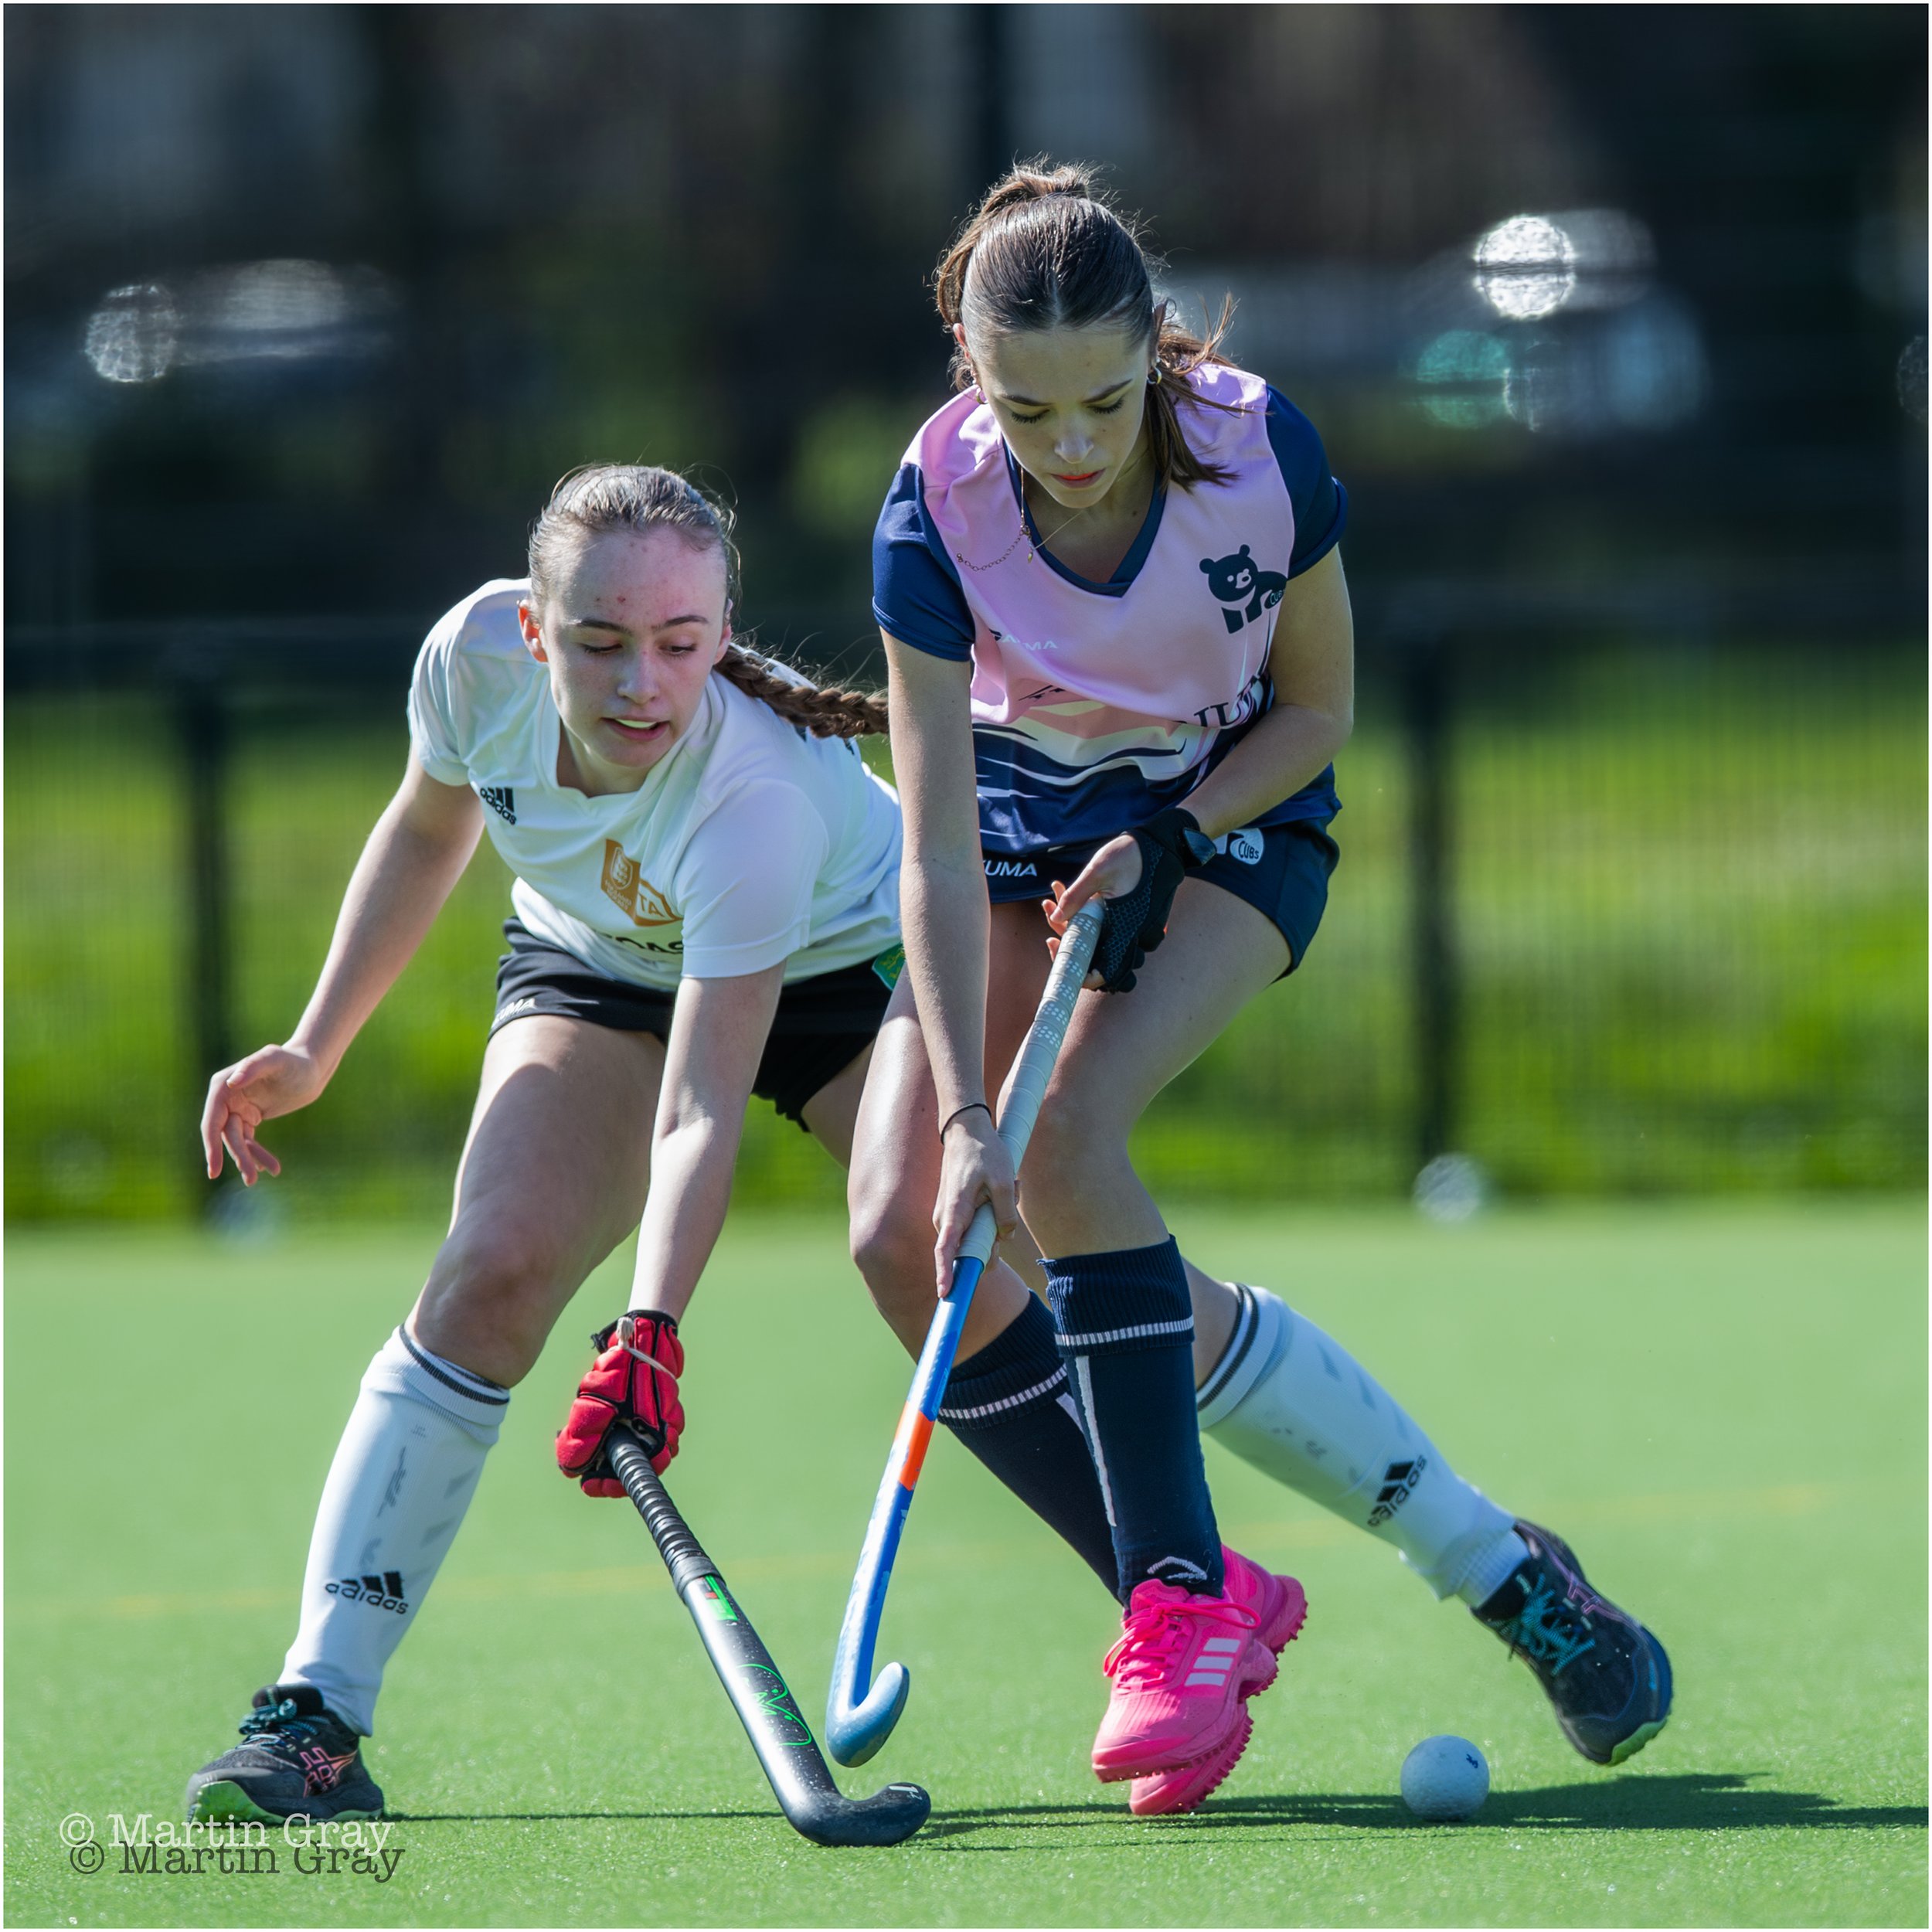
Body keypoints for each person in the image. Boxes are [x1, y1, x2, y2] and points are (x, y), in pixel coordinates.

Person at [851, 163, 1672, 1817]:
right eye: (1025, 408)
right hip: (1015, 840)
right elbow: (932, 843)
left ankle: (1170, 1601)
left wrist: (1168, 828)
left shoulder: (1250, 450)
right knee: (902, 1217)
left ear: (1155, 351)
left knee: (1072, 1147)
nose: (1070, 447)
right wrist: (955, 1106)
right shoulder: (931, 502)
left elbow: (1316, 709)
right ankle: (1491, 1564)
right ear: (964, 364)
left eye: (1101, 401)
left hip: (1228, 822)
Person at [185, 464, 904, 1824]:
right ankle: (314, 1714)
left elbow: (701, 1105)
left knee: (988, 1268)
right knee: (492, 1271)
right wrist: (314, 1046)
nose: (641, 684)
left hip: (837, 961)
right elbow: (431, 820)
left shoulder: (752, 792)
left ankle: (1214, 1577)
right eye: (599, 642)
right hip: (597, 963)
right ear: (536, 631)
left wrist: (651, 1331)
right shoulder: (472, 658)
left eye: (682, 646)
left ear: (725, 628)